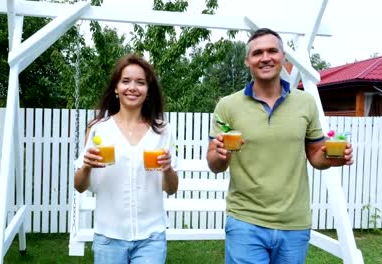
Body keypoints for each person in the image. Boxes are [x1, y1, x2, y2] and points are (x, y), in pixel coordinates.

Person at [206, 28, 354, 264]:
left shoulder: (305, 103)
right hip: (245, 220)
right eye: (257, 53)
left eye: (272, 51)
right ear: (247, 61)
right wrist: (221, 154)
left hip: (294, 223)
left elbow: (316, 154)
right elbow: (214, 163)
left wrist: (333, 157)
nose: (265, 57)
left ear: (283, 57)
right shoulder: (228, 105)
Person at [74, 53, 179, 264]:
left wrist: (167, 169)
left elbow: (171, 188)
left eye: (140, 82)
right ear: (116, 88)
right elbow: (79, 186)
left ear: (148, 91)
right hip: (108, 237)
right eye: (126, 81)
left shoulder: (163, 131)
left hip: (151, 238)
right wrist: (86, 166)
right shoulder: (98, 129)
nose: (133, 87)